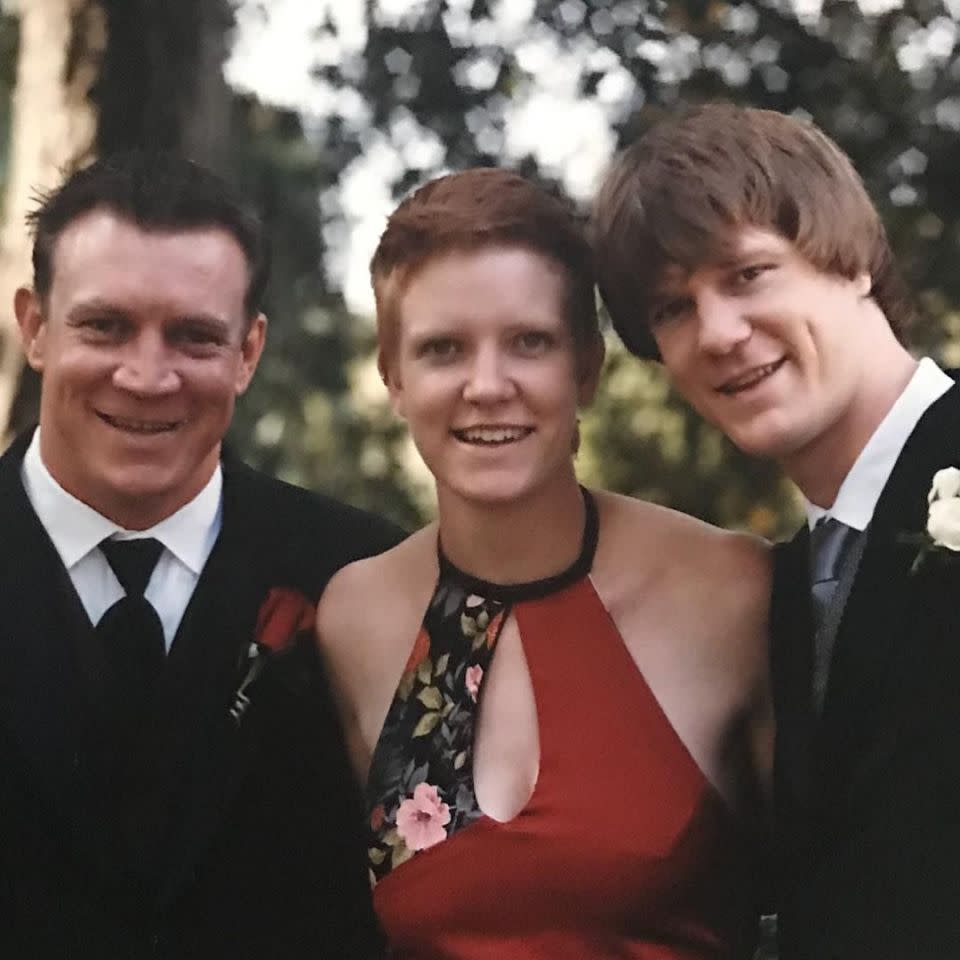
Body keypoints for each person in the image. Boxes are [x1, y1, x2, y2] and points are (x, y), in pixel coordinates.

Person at [316, 167, 772, 959]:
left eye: (529, 342)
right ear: (393, 378)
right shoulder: (355, 617)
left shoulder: (732, 592)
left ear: (586, 368)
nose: (487, 386)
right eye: (442, 350)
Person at [0, 151, 402, 959]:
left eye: (193, 336)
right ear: (35, 326)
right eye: (105, 326)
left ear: (248, 352)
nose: (148, 377)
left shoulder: (366, 576)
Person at [592, 102, 960, 959]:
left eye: (748, 274)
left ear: (855, 264)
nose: (717, 332)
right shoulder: (778, 593)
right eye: (672, 309)